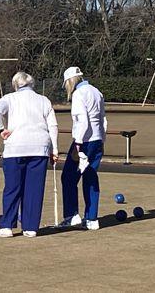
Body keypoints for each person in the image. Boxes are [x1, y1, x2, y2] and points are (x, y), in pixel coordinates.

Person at [0, 71, 59, 238]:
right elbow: (53, 126)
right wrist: (54, 149)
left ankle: (7, 226)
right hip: (39, 147)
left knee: (12, 188)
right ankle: (30, 227)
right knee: (34, 189)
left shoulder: (10, 98)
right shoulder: (43, 100)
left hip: (16, 147)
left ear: (15, 85)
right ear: (32, 84)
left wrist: (1, 129)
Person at [59, 66, 107, 230]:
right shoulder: (96, 91)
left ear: (70, 81)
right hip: (97, 140)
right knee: (91, 177)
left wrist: (78, 144)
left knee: (68, 177)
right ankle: (92, 219)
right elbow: (103, 119)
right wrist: (102, 140)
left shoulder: (78, 94)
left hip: (83, 142)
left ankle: (72, 216)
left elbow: (83, 121)